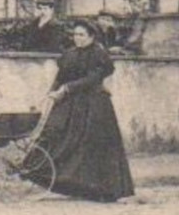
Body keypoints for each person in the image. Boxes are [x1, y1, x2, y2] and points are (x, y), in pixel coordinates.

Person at [37, 20, 135, 202]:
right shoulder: (70, 54)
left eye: (82, 35)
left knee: (93, 146)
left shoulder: (99, 54)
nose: (78, 39)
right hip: (70, 105)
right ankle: (67, 184)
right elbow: (61, 77)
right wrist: (52, 91)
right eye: (75, 35)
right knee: (59, 137)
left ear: (91, 36)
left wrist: (66, 89)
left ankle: (104, 189)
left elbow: (92, 79)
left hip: (94, 106)